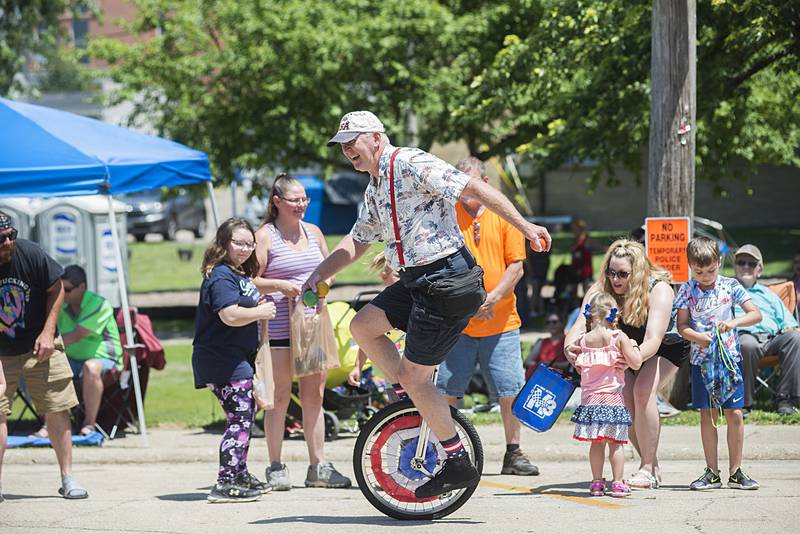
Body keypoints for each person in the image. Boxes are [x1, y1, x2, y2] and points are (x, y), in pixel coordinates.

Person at [313, 110, 551, 498]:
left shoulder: (410, 161)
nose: (347, 152)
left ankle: (456, 462)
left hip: (448, 279)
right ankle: (415, 400)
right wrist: (318, 274)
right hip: (418, 280)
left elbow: (473, 189)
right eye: (342, 146)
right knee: (363, 326)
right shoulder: (375, 188)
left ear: (375, 137)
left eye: (352, 142)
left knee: (416, 376)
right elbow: (356, 242)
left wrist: (525, 226)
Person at [435, 156, 539, 477]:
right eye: (461, 184)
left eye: (472, 184)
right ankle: (449, 453)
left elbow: (516, 266)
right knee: (448, 390)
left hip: (502, 319)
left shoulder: (504, 215)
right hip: (458, 324)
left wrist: (492, 298)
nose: (466, 191)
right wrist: (466, 301)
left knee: (510, 390)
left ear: (486, 183)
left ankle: (514, 452)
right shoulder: (446, 215)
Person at [565, 239, 689, 490]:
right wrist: (570, 347)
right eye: (611, 272)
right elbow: (578, 324)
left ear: (638, 272)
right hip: (626, 347)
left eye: (622, 274)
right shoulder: (601, 288)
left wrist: (633, 358)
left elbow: (654, 339)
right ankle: (651, 463)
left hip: (664, 346)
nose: (615, 279)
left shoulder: (659, 288)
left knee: (643, 391)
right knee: (624, 401)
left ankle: (646, 467)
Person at [253, 173, 351, 490]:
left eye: (304, 198)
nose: (301, 204)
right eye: (295, 200)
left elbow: (329, 270)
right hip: (279, 328)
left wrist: (322, 285)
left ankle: (317, 466)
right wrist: (281, 286)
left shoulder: (314, 231)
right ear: (277, 202)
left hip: (311, 325)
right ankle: (276, 467)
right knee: (279, 398)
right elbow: (249, 280)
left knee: (314, 398)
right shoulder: (265, 236)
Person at [0, 211, 88, 500]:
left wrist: (49, 332)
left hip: (40, 343)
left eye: (11, 235)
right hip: (2, 351)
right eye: (2, 239)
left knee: (57, 407)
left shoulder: (31, 253)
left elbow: (56, 288)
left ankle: (68, 477)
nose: (8, 242)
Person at [192, 217, 276, 503]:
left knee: (244, 415)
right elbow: (228, 315)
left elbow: (244, 301)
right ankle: (226, 481)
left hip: (236, 357)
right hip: (220, 358)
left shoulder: (237, 274)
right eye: (238, 243)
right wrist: (260, 313)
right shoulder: (220, 276)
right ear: (224, 244)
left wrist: (261, 302)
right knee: (240, 416)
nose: (245, 249)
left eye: (249, 244)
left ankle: (238, 473)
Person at [675, 237, 762, 491]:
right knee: (708, 415)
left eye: (711, 270)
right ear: (690, 266)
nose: (705, 276)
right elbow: (682, 326)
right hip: (702, 362)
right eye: (699, 271)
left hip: (729, 361)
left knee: (734, 413)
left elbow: (755, 314)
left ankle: (736, 471)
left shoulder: (730, 286)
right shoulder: (687, 290)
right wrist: (697, 337)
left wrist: (733, 324)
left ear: (719, 263)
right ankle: (712, 471)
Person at [571, 292, 642, 498]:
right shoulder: (619, 337)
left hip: (590, 401)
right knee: (616, 443)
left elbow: (579, 369)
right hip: (613, 399)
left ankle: (596, 483)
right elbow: (636, 362)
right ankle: (618, 483)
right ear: (615, 314)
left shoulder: (583, 341)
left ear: (590, 315)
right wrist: (634, 347)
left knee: (597, 443)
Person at [53, 265, 122, 438]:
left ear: (82, 287)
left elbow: (76, 335)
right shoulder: (60, 304)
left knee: (90, 367)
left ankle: (89, 424)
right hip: (71, 358)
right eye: (61, 289)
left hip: (105, 360)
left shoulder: (99, 304)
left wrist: (47, 345)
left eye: (67, 289)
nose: (63, 293)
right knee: (44, 365)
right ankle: (50, 425)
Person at [733, 244, 800, 415]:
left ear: (759, 269)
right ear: (735, 267)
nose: (746, 267)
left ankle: (786, 400)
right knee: (747, 345)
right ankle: (744, 403)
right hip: (743, 336)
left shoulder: (768, 294)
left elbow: (788, 322)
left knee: (795, 338)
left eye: (751, 263)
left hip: (772, 339)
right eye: (741, 262)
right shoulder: (728, 290)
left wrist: (789, 329)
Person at [524, 312, 569, 379]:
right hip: (540, 374)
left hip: (559, 377)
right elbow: (528, 361)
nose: (551, 325)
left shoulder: (567, 341)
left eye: (554, 322)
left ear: (562, 324)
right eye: (548, 322)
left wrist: (553, 364)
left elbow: (572, 364)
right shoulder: (542, 342)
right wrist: (541, 364)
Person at [570, 219, 594, 294]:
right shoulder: (575, 240)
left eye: (575, 229)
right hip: (575, 267)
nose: (573, 231)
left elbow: (597, 246)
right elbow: (572, 250)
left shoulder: (587, 239)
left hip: (585, 269)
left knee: (586, 291)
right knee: (573, 291)